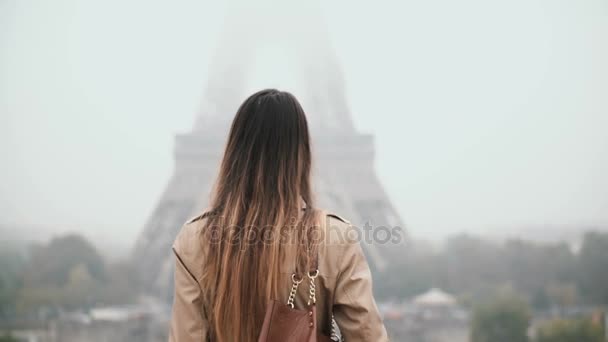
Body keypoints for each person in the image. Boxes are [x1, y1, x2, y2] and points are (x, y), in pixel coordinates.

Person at [169, 89, 388, 341]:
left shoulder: (195, 239)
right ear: (302, 152)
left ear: (234, 151)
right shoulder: (335, 237)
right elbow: (367, 336)